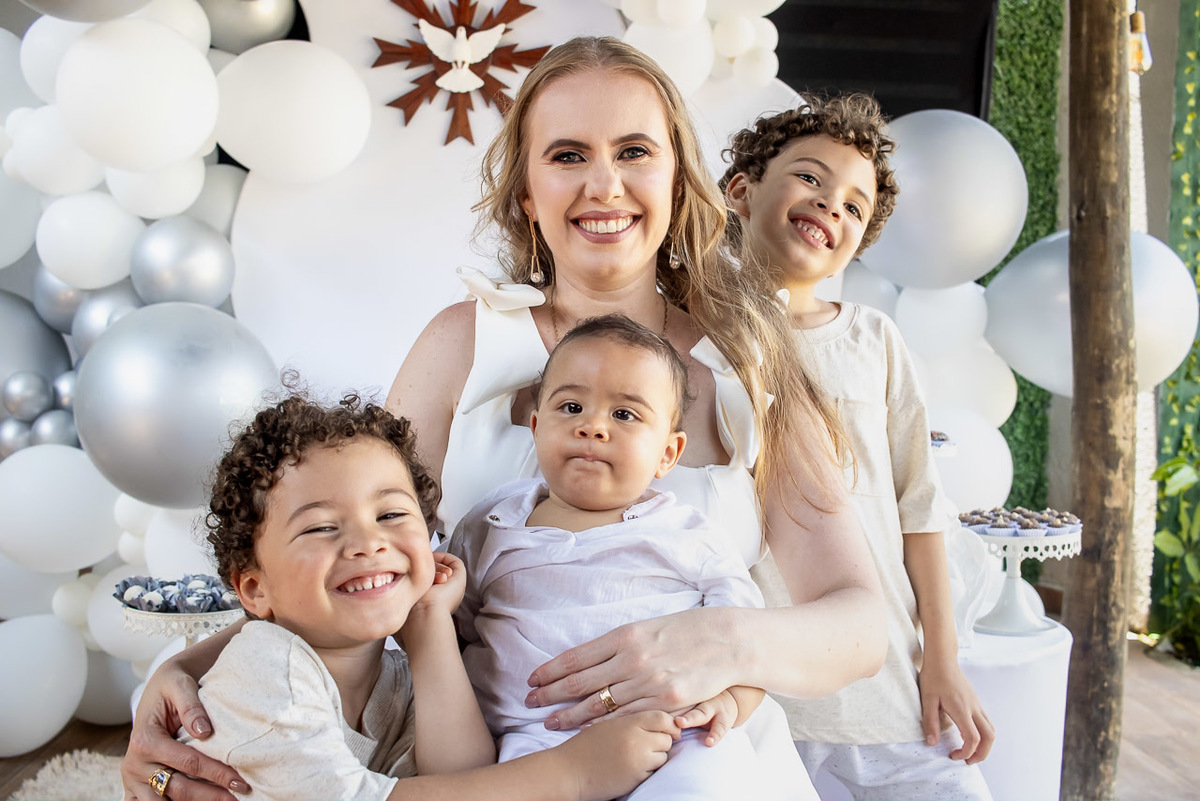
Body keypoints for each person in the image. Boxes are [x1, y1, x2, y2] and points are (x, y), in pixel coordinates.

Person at [120, 37, 887, 801]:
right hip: (494, 766)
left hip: (705, 762)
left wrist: (718, 639)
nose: (604, 184)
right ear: (526, 193)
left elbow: (860, 623)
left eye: (633, 151)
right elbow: (369, 553)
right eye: (566, 155)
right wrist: (191, 666)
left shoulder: (748, 362)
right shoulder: (463, 342)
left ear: (680, 182)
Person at [172, 391, 679, 801]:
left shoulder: (392, 678)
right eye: (323, 527)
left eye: (391, 515)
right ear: (255, 589)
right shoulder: (267, 668)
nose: (369, 543)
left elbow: (460, 777)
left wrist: (432, 624)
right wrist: (572, 773)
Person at [722, 93, 996, 800]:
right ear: (742, 190)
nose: (830, 208)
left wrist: (943, 657)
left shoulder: (874, 341)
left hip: (888, 692)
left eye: (853, 206)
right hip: (757, 697)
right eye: (811, 178)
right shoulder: (701, 335)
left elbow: (922, 508)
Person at [451, 314, 800, 799]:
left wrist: (732, 701)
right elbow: (458, 628)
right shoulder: (491, 523)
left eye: (624, 415)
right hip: (536, 745)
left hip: (674, 736)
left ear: (667, 454)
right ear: (535, 426)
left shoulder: (689, 535)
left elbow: (748, 646)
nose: (592, 426)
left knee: (713, 782)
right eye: (571, 407)